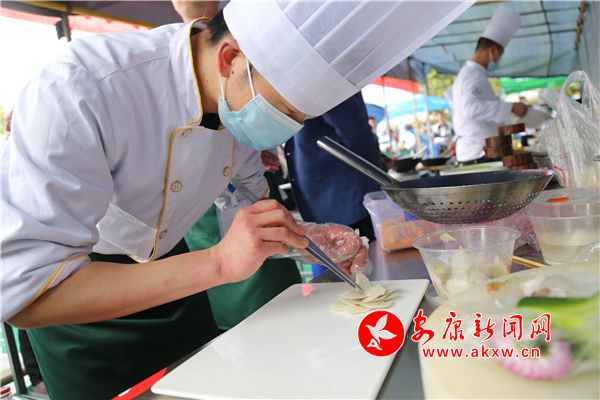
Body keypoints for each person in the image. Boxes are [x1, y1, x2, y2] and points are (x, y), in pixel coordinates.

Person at [1, 1, 472, 398]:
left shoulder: (235, 105)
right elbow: (26, 293)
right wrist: (220, 263)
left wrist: (302, 238)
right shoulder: (79, 88)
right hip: (85, 311)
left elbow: (244, 207)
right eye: (285, 110)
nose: (287, 129)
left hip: (177, 285)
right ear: (230, 59)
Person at [285, 92, 384, 242]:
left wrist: (375, 162)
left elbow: (354, 133)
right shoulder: (316, 81)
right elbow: (355, 133)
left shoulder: (310, 81)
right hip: (340, 192)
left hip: (337, 193)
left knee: (358, 252)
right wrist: (376, 163)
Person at [447, 5, 528, 163]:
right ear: (492, 52)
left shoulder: (468, 74)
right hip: (479, 153)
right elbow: (471, 108)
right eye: (500, 55)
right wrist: (511, 107)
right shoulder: (473, 75)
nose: (499, 60)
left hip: (479, 151)